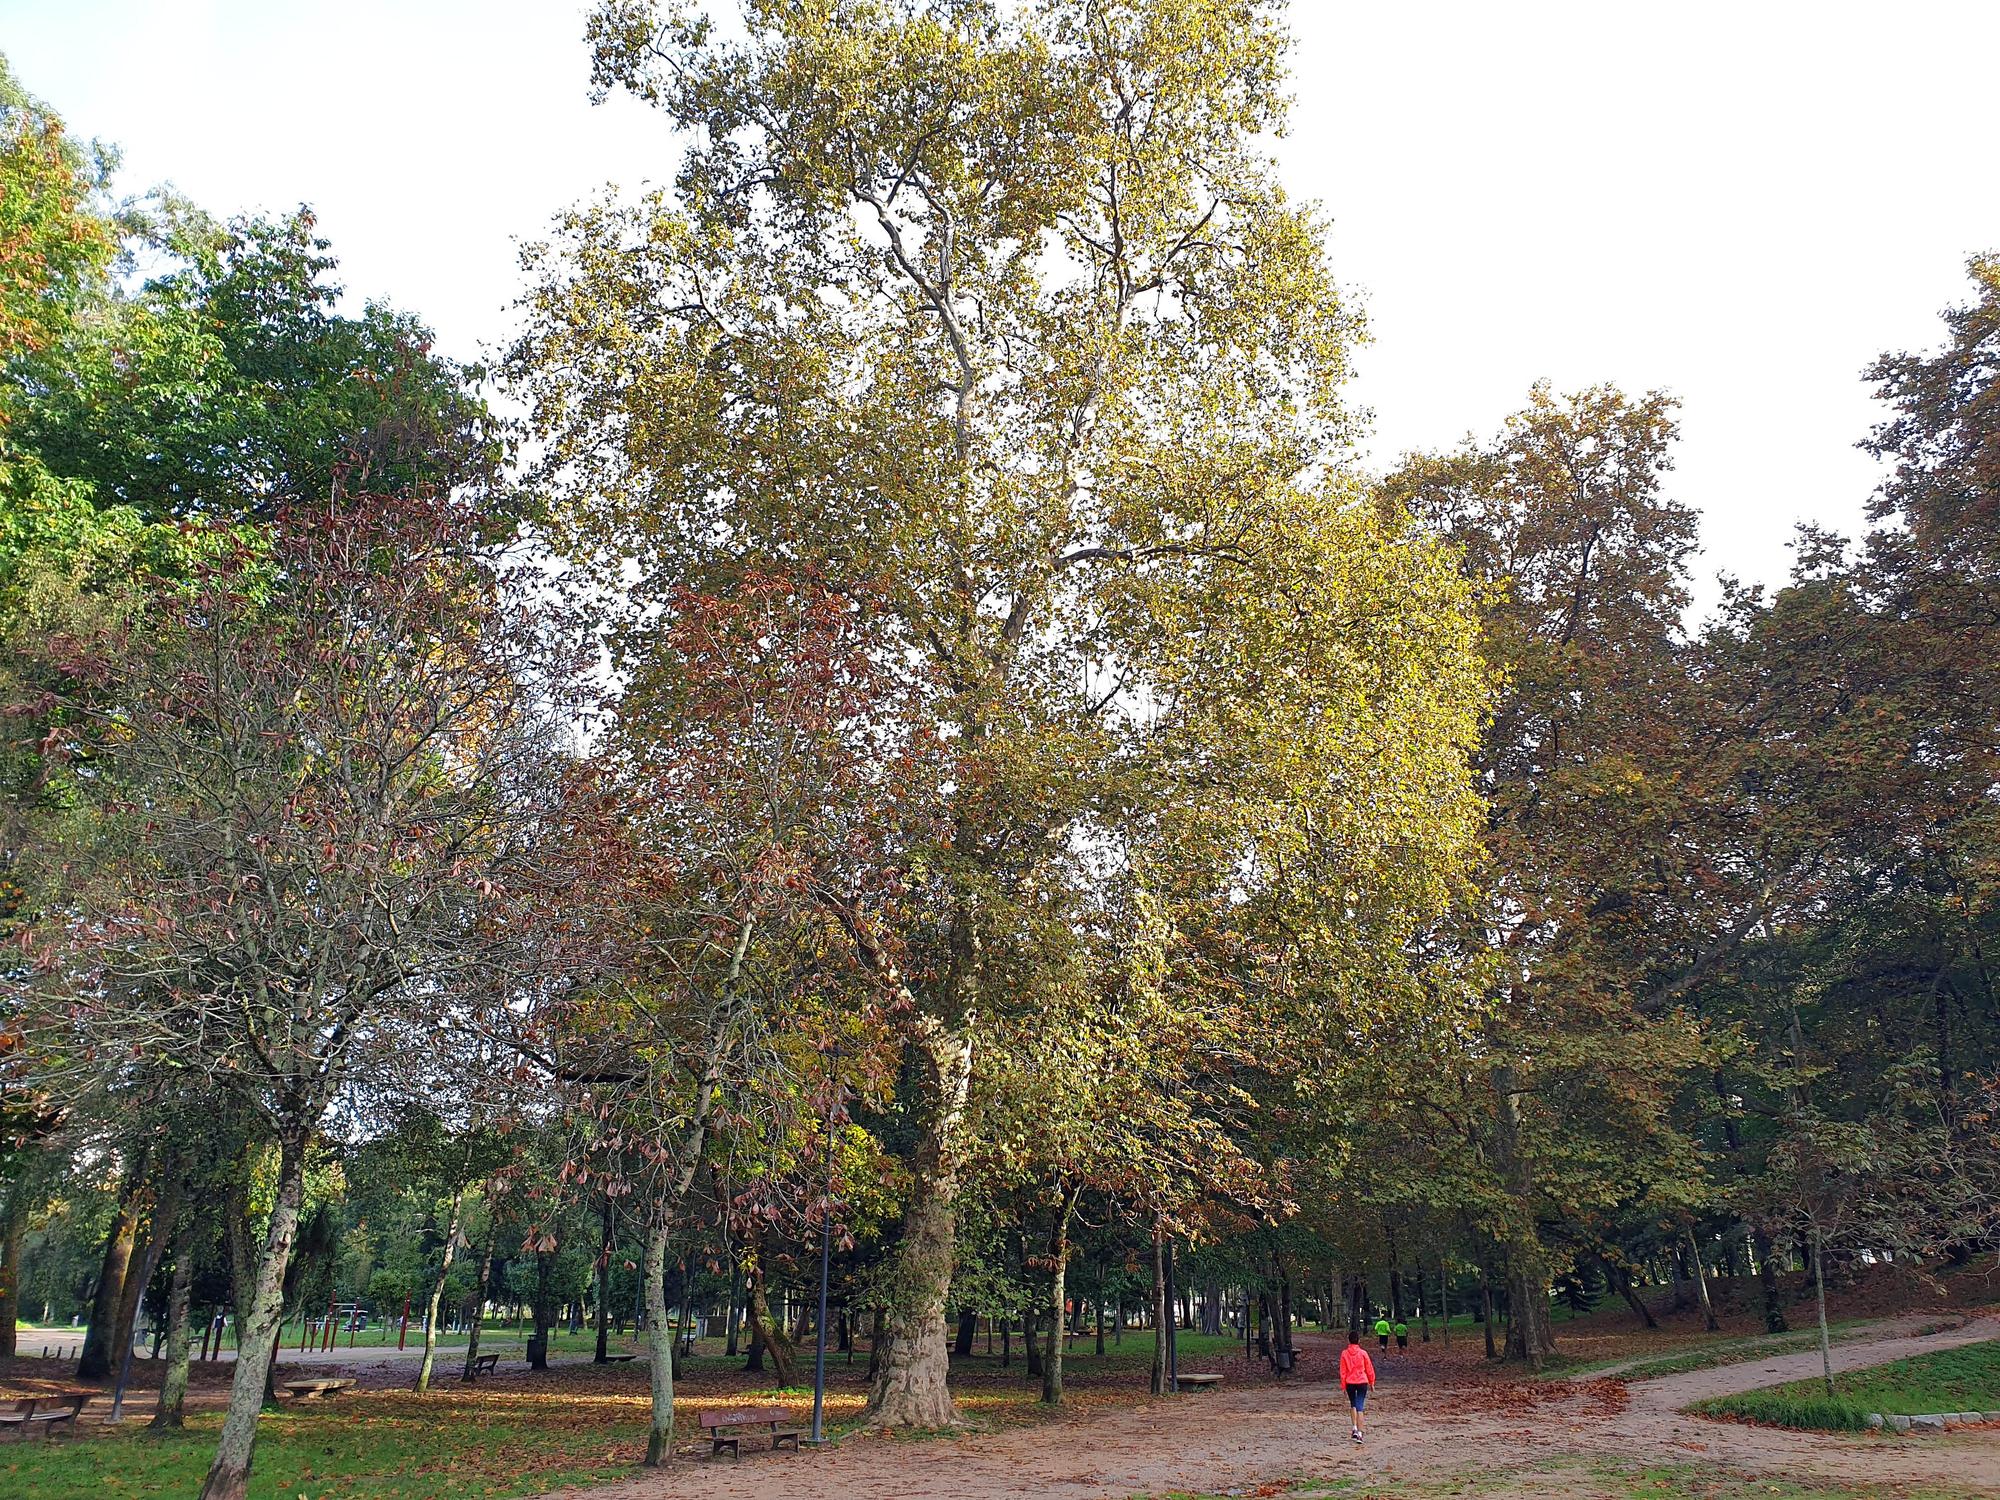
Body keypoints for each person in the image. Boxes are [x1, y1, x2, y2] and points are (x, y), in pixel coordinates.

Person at [1340, 1331, 1377, 1444]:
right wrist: (1372, 1382)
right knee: (1360, 1406)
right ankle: (1360, 1434)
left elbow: (1343, 1371)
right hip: (1362, 1381)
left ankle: (1354, 1427)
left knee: (1353, 1404)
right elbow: (1369, 1368)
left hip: (1350, 1382)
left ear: (1349, 1341)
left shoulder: (1344, 1354)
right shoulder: (1363, 1353)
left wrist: (1343, 1386)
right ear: (1358, 1341)